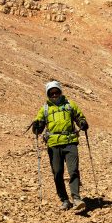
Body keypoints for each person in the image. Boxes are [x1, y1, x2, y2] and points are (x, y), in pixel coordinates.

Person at [32, 80, 89, 211]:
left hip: (70, 142)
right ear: (48, 94)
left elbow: (79, 117)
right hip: (53, 144)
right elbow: (38, 128)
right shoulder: (45, 109)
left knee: (73, 170)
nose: (54, 95)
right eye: (51, 93)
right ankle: (64, 200)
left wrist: (82, 123)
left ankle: (76, 198)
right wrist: (37, 126)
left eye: (56, 92)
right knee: (57, 173)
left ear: (60, 92)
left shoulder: (70, 105)